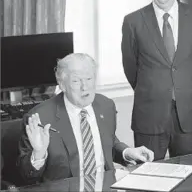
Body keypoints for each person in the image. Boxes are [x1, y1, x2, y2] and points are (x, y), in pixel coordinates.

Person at [17, 53, 154, 184]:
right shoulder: (40, 117)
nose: (85, 87)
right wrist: (38, 154)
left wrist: (127, 152)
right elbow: (26, 177)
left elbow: (108, 143)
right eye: (76, 81)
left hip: (105, 185)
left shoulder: (106, 106)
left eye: (89, 79)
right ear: (62, 85)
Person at [121, 0, 192, 160]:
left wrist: (180, 86)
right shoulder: (133, 22)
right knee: (149, 180)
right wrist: (154, 88)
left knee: (190, 179)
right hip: (149, 115)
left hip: (188, 115)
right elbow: (131, 67)